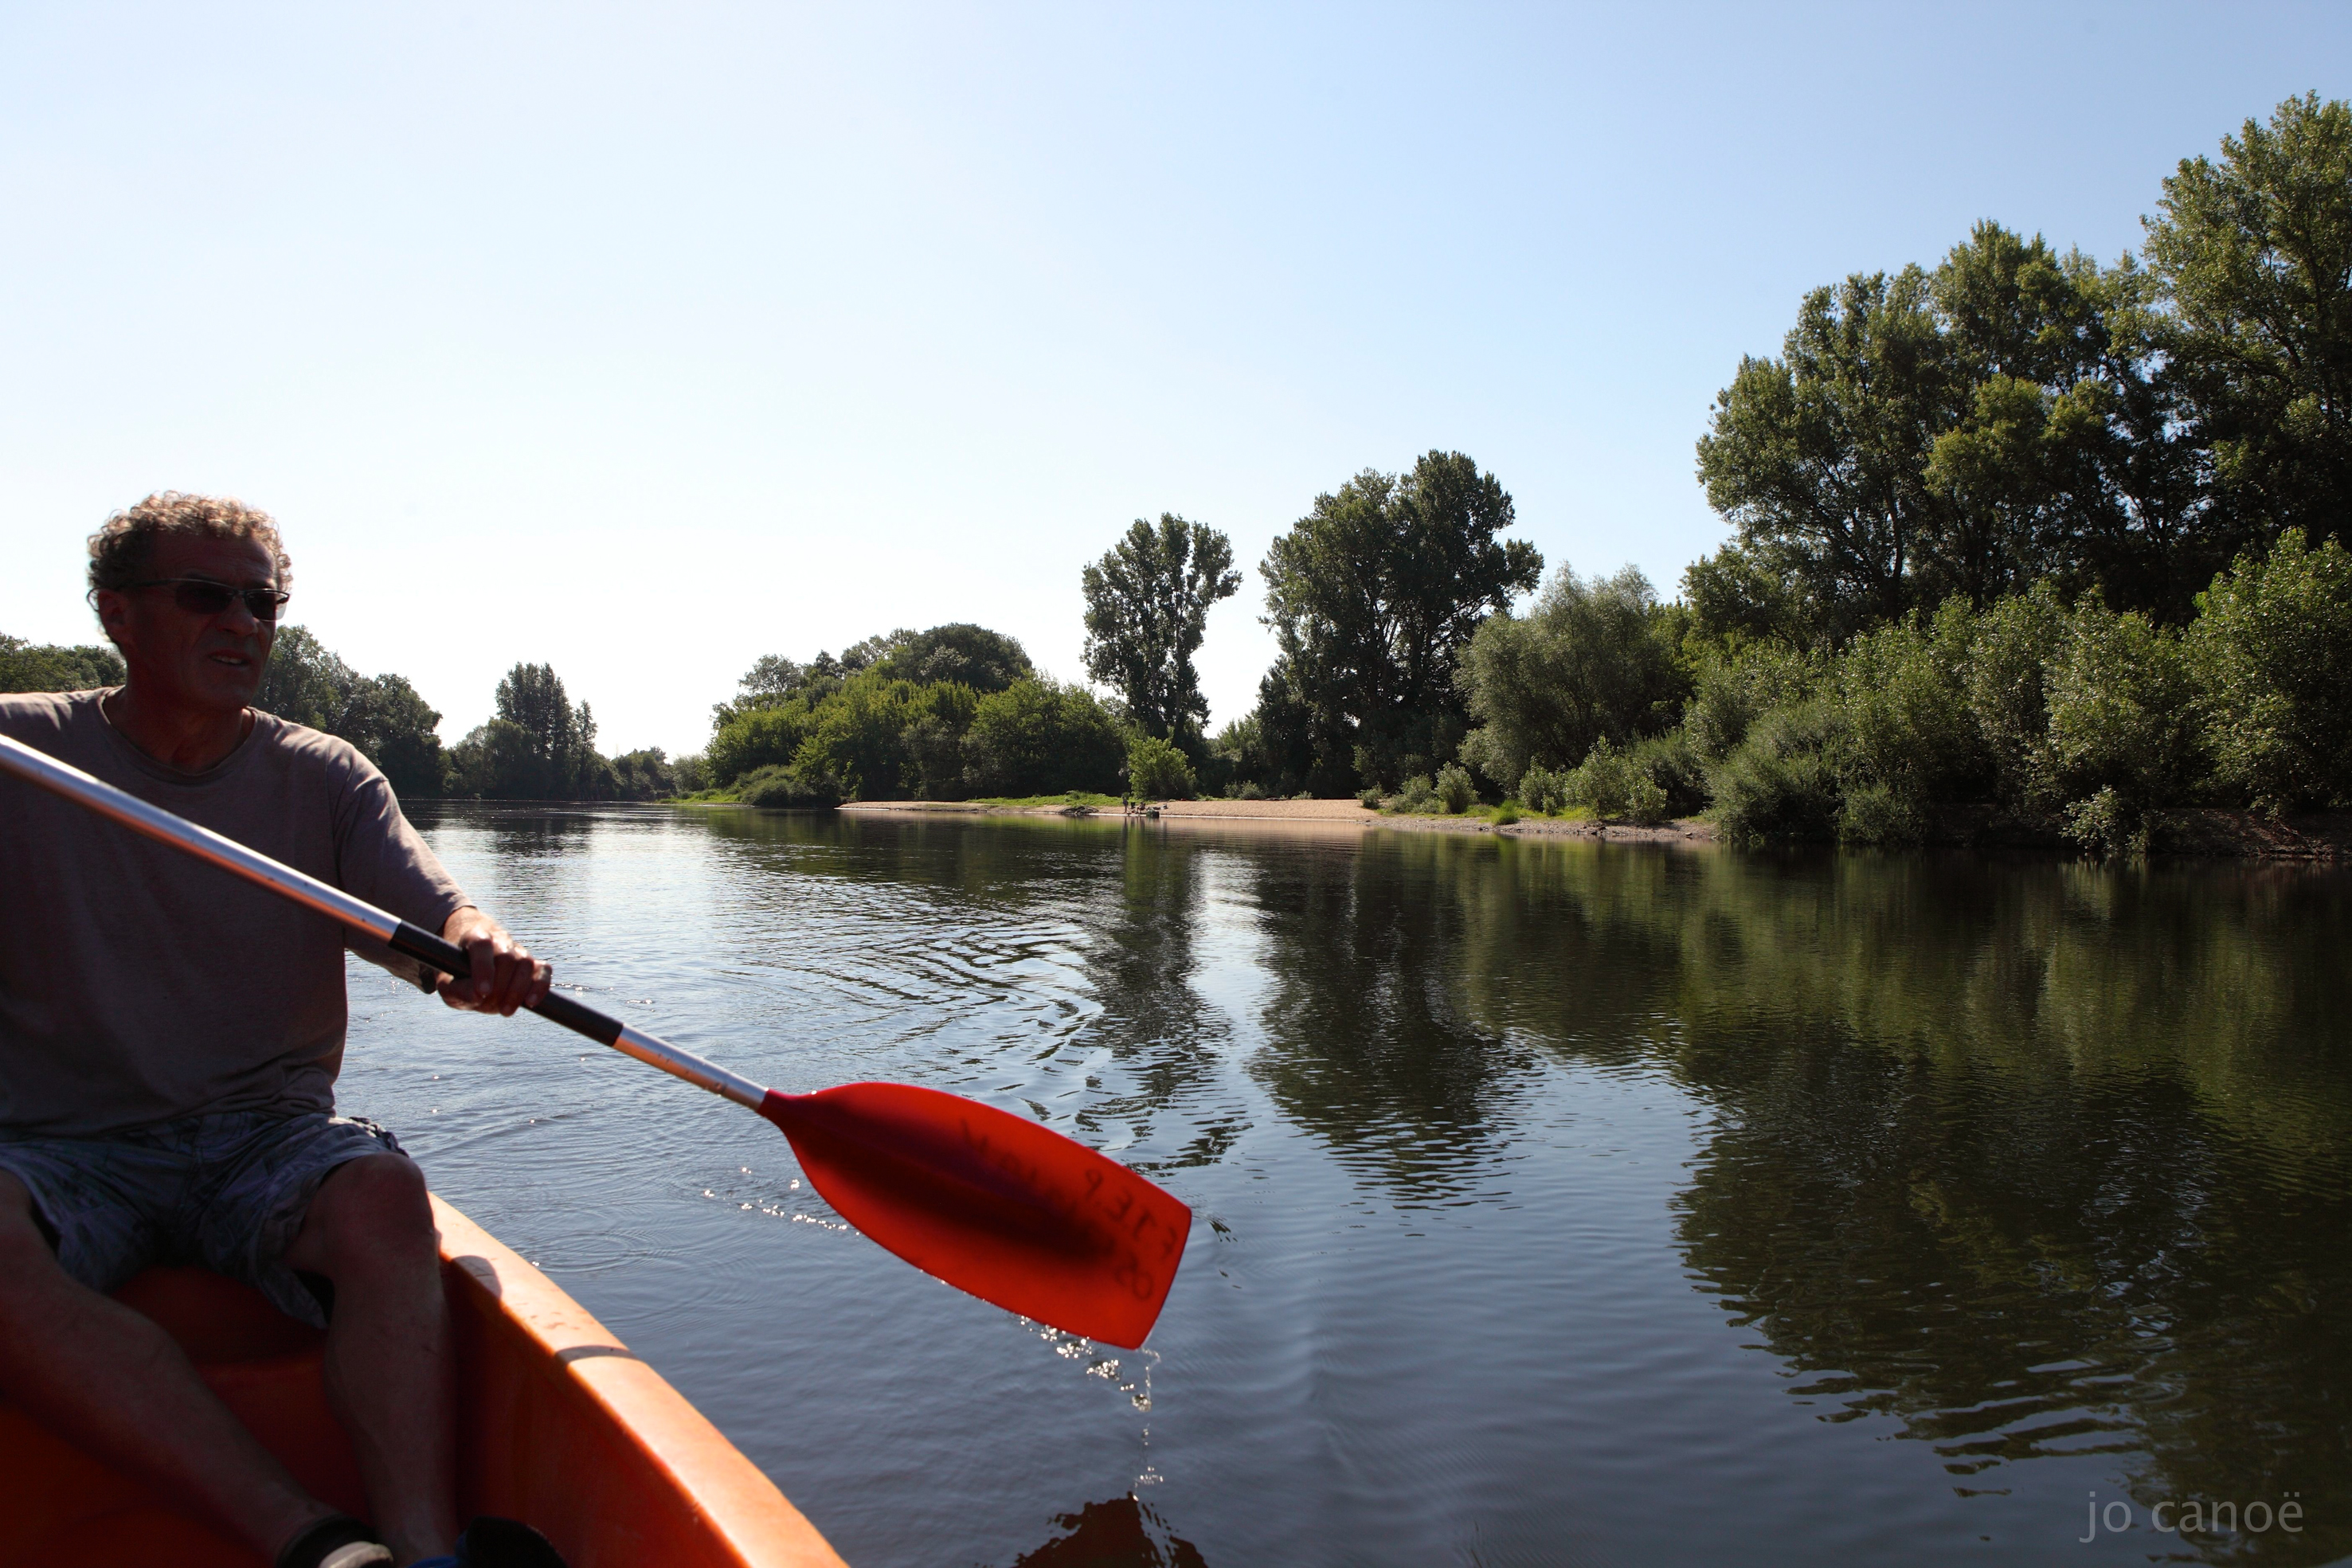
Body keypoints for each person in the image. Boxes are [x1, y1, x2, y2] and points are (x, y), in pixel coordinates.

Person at [0, 495, 562, 1568]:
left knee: (385, 1194)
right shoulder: (19, 752)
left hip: (262, 1132)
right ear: (117, 616)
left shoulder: (324, 775)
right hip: (58, 1139)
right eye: (204, 595)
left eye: (262, 601)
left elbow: (433, 916)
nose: (242, 623)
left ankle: (426, 1551)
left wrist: (476, 947)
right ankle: (314, 1544)